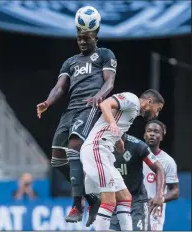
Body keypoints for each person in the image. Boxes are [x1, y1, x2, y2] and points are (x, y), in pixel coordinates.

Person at [36, 24, 117, 222]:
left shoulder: (105, 54)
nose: (82, 41)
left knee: (74, 144)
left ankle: (76, 206)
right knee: (57, 157)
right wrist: (48, 102)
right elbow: (59, 87)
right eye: (79, 38)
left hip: (90, 106)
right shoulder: (70, 62)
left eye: (86, 38)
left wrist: (99, 96)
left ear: (95, 38)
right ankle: (91, 198)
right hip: (70, 110)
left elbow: (110, 82)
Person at [80, 89, 164, 230]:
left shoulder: (133, 111)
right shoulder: (131, 99)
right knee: (109, 200)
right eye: (158, 109)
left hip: (105, 153)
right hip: (96, 148)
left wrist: (118, 139)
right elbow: (106, 104)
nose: (157, 114)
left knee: (125, 197)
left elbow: (115, 118)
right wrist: (112, 124)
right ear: (150, 102)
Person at [110, 134, 165, 231]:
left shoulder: (138, 146)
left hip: (136, 202)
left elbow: (159, 168)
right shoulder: (100, 145)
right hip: (113, 202)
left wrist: (159, 195)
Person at [143, 120, 179, 231]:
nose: (152, 134)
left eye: (156, 131)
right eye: (149, 131)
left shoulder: (168, 161)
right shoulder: (135, 155)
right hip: (134, 206)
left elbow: (175, 191)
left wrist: (161, 198)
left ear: (162, 137)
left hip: (154, 209)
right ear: (145, 135)